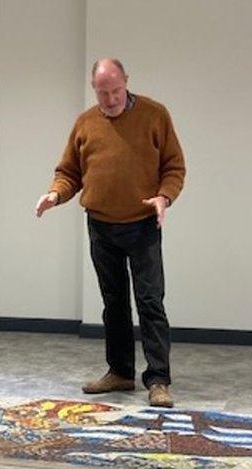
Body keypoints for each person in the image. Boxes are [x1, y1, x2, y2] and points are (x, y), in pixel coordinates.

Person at [35, 58, 185, 408]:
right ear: (94, 90)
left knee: (150, 301)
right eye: (103, 93)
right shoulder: (85, 123)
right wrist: (56, 194)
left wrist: (164, 197)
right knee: (113, 303)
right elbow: (69, 171)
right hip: (101, 226)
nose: (111, 98)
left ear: (126, 82)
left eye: (116, 90)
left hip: (143, 223)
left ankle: (158, 380)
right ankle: (119, 372)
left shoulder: (155, 115)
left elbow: (174, 166)